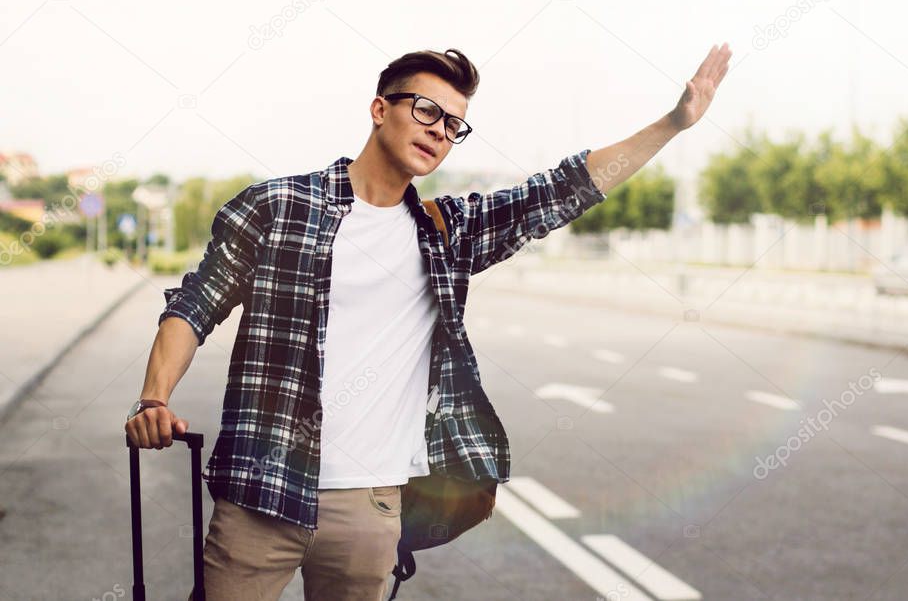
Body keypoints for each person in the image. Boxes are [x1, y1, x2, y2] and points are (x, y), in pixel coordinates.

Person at [124, 44, 732, 601]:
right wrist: (155, 397)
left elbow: (560, 191)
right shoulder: (277, 208)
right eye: (425, 111)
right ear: (379, 108)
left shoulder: (445, 233)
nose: (439, 132)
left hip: (371, 506)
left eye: (453, 125)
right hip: (261, 493)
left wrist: (672, 124)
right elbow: (194, 304)